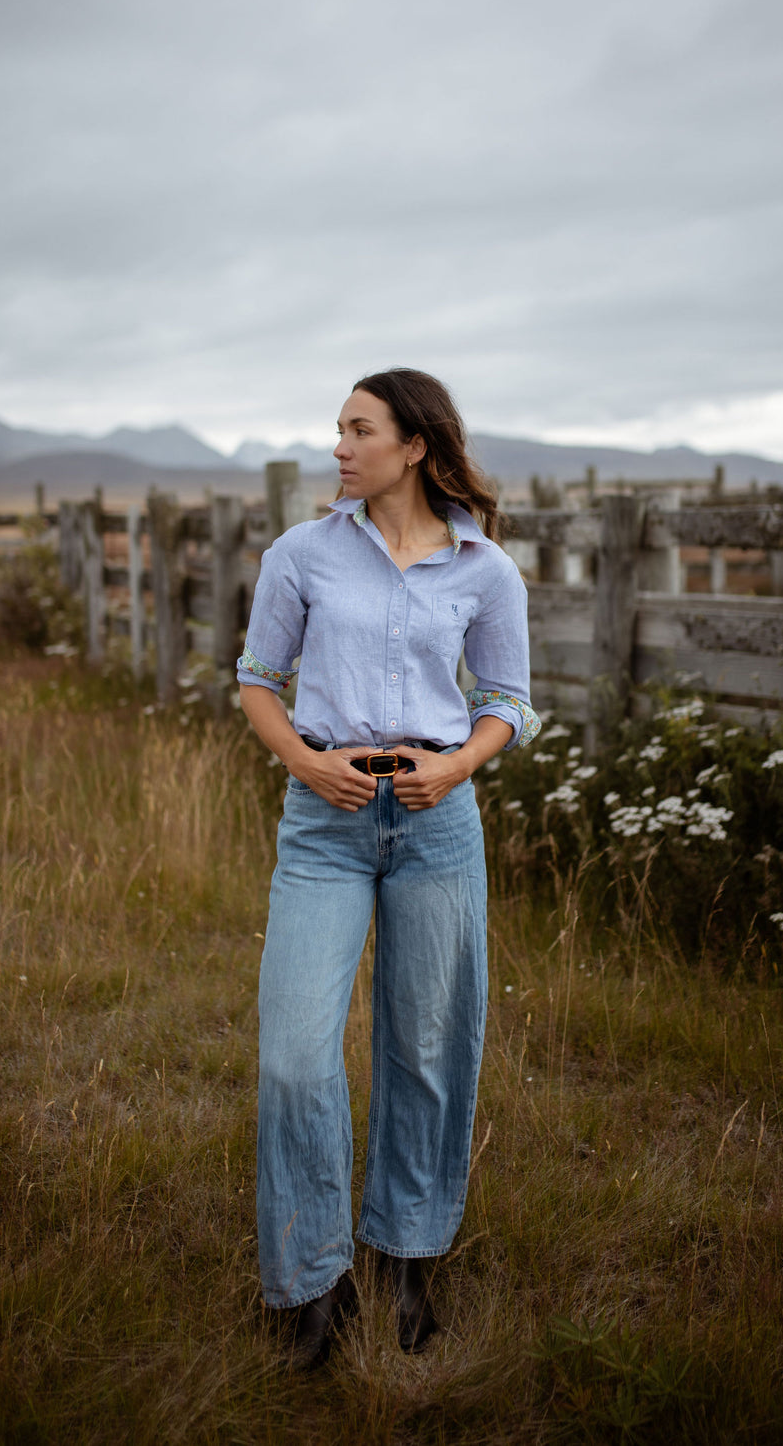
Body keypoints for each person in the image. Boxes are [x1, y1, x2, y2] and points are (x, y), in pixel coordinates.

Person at [237, 367, 540, 1368]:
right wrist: (306, 761)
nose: (339, 446)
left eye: (359, 429)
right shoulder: (301, 554)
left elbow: (507, 698)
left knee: (427, 1047)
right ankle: (313, 1277)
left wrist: (457, 765)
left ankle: (408, 1254)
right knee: (295, 1053)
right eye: (337, 429)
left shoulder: (485, 570)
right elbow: (257, 681)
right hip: (324, 823)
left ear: (414, 446)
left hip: (436, 823)